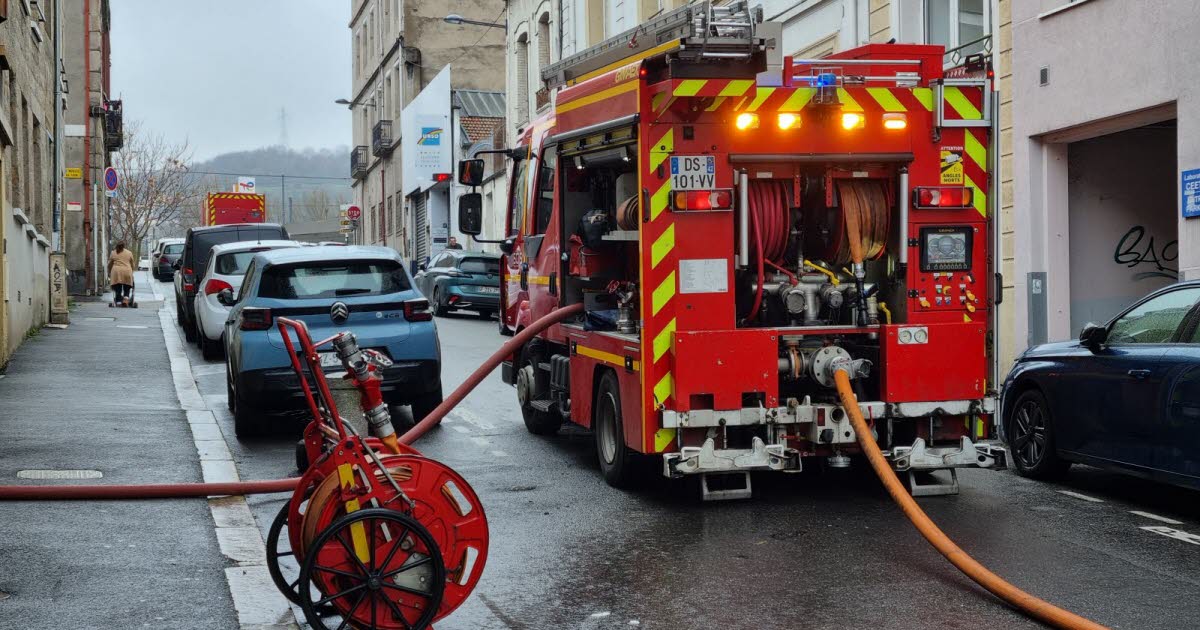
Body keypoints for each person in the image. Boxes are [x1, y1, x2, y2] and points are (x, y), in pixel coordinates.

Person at [108, 241, 136, 306]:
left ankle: (118, 302)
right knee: (127, 286)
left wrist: (109, 272)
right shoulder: (129, 253)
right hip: (127, 271)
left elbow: (110, 264)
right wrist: (132, 271)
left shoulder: (113, 253)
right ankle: (125, 300)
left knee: (118, 287)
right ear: (124, 246)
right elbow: (132, 264)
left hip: (116, 272)